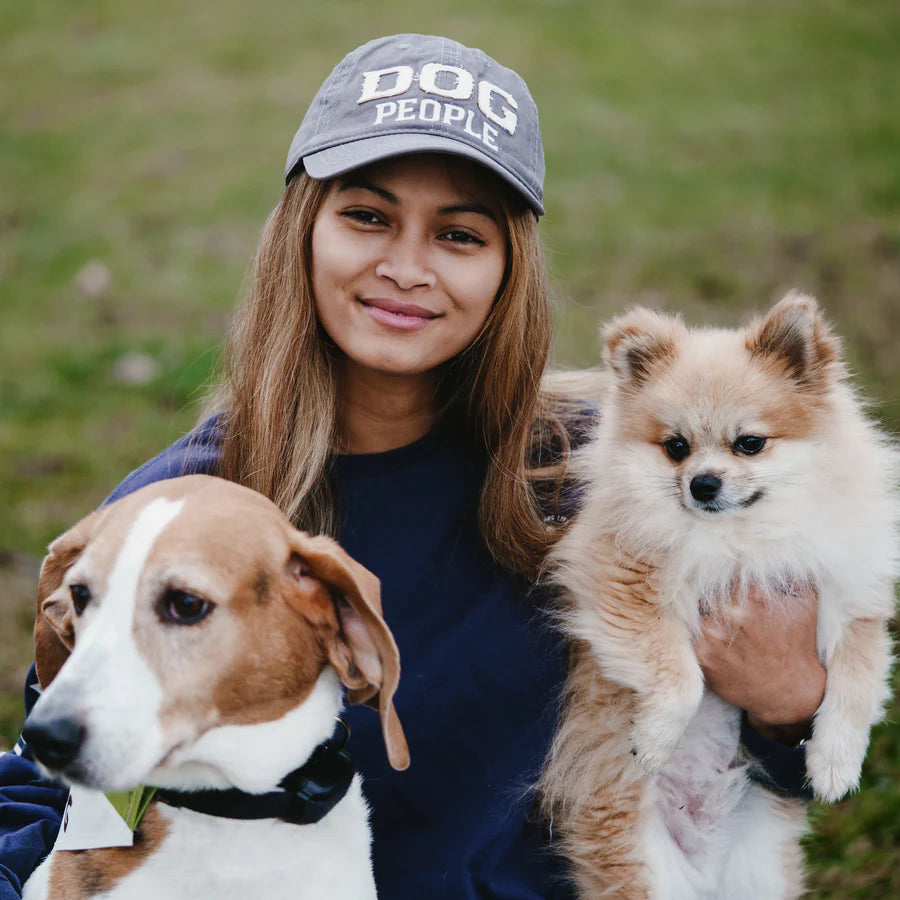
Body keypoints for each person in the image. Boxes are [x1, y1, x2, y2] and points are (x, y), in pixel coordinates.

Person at [0, 34, 825, 899]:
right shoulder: (190, 518)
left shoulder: (614, 477)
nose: (405, 267)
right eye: (367, 216)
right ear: (304, 231)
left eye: (460, 234)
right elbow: (67, 785)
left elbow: (764, 761)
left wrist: (790, 704)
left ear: (508, 269)